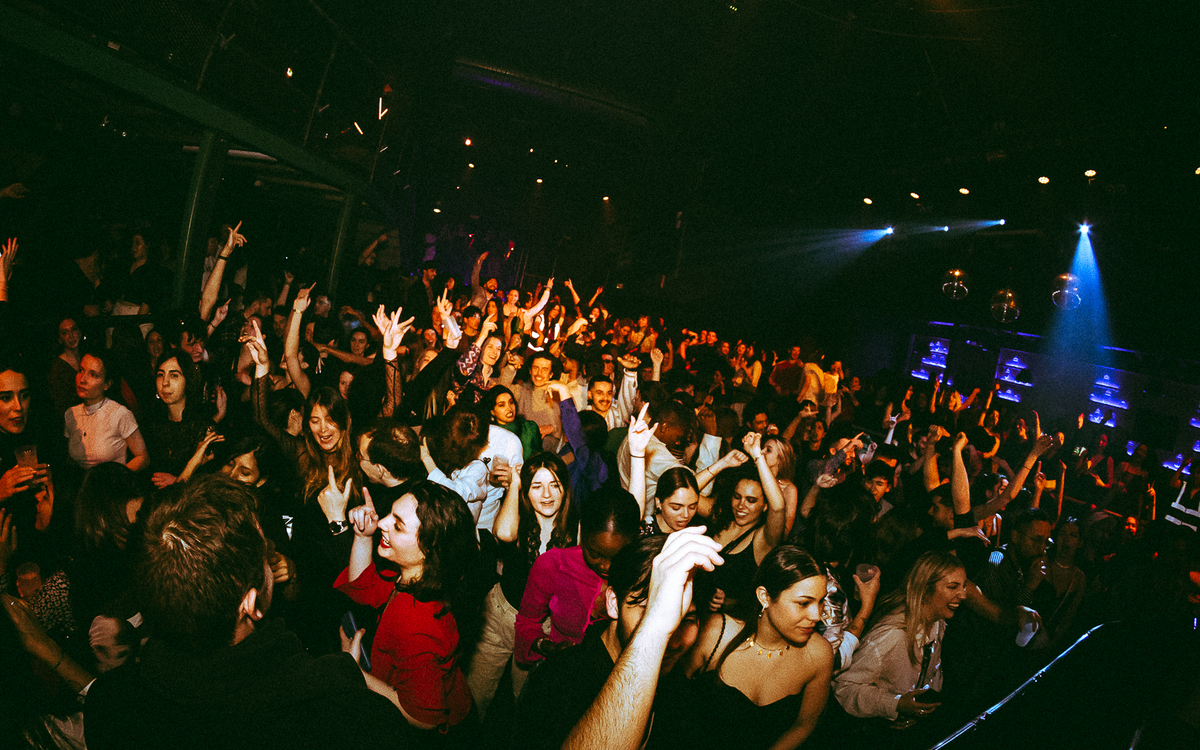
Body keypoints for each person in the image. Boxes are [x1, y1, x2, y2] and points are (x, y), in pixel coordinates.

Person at [84, 475, 409, 749]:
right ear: (249, 603)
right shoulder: (331, 714)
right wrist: (349, 678)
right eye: (264, 553)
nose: (271, 554)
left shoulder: (108, 704)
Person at [518, 532, 715, 750]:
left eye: (687, 619)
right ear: (613, 603)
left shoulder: (682, 694)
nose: (673, 640)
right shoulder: (556, 681)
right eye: (649, 611)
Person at [339, 480, 479, 734]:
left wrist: (356, 673)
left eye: (398, 526)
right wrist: (362, 536)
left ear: (427, 549)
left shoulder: (415, 625)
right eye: (390, 514)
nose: (381, 522)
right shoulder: (412, 577)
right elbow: (363, 586)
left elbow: (424, 718)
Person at [682, 545, 833, 750]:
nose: (817, 615)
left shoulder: (818, 653)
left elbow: (804, 724)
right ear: (765, 597)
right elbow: (672, 704)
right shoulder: (716, 633)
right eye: (803, 603)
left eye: (821, 601)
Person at [466, 453, 576, 714]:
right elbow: (503, 534)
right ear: (527, 491)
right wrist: (514, 484)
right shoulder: (518, 518)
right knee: (475, 696)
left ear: (565, 488)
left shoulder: (576, 525)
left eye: (554, 485)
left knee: (526, 702)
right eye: (537, 486)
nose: (547, 494)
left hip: (543, 627)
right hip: (499, 616)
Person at [832, 551, 967, 730]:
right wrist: (894, 704)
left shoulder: (938, 623)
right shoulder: (893, 634)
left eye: (964, 586)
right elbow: (844, 687)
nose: (963, 595)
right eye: (953, 587)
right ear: (925, 589)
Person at [513, 485, 640, 670]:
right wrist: (548, 647)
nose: (606, 566)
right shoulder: (553, 565)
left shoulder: (643, 573)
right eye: (595, 553)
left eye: (617, 557)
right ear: (581, 530)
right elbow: (526, 623)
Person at [705, 432, 788, 615]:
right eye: (737, 497)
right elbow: (686, 494)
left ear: (764, 505)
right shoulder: (721, 517)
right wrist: (723, 463)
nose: (741, 506)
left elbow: (778, 507)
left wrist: (757, 455)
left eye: (751, 500)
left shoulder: (763, 538)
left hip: (734, 624)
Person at [63, 350, 148, 472]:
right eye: (81, 370)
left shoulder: (119, 413)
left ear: (107, 384)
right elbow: (70, 460)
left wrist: (115, 480)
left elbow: (143, 457)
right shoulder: (70, 414)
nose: (82, 379)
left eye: (93, 375)